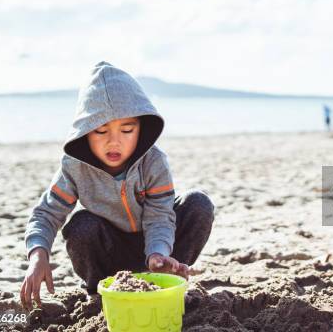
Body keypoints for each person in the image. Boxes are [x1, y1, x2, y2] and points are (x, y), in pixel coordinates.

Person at [20, 61, 214, 309]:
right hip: (111, 251)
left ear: (140, 128)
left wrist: (158, 253)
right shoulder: (75, 167)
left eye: (127, 129)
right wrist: (38, 255)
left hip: (158, 247)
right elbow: (47, 213)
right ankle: (102, 294)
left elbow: (160, 215)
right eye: (101, 131)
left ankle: (168, 278)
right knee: (81, 225)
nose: (114, 142)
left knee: (198, 203)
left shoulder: (153, 161)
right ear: (84, 133)